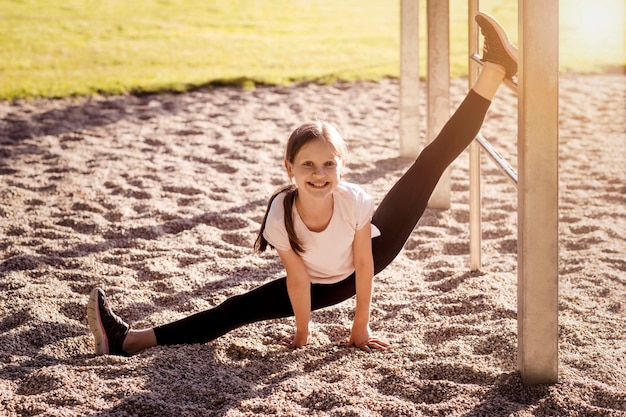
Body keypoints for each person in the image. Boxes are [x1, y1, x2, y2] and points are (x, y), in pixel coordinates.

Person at [87, 12, 518, 356]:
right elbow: (296, 280)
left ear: (341, 168)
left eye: (329, 164)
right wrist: (302, 332)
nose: (319, 174)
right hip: (316, 284)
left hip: (367, 257)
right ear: (289, 168)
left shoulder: (351, 201)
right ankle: (127, 340)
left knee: (431, 160)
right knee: (235, 310)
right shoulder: (280, 213)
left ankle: (496, 69)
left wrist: (359, 326)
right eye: (308, 165)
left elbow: (365, 266)